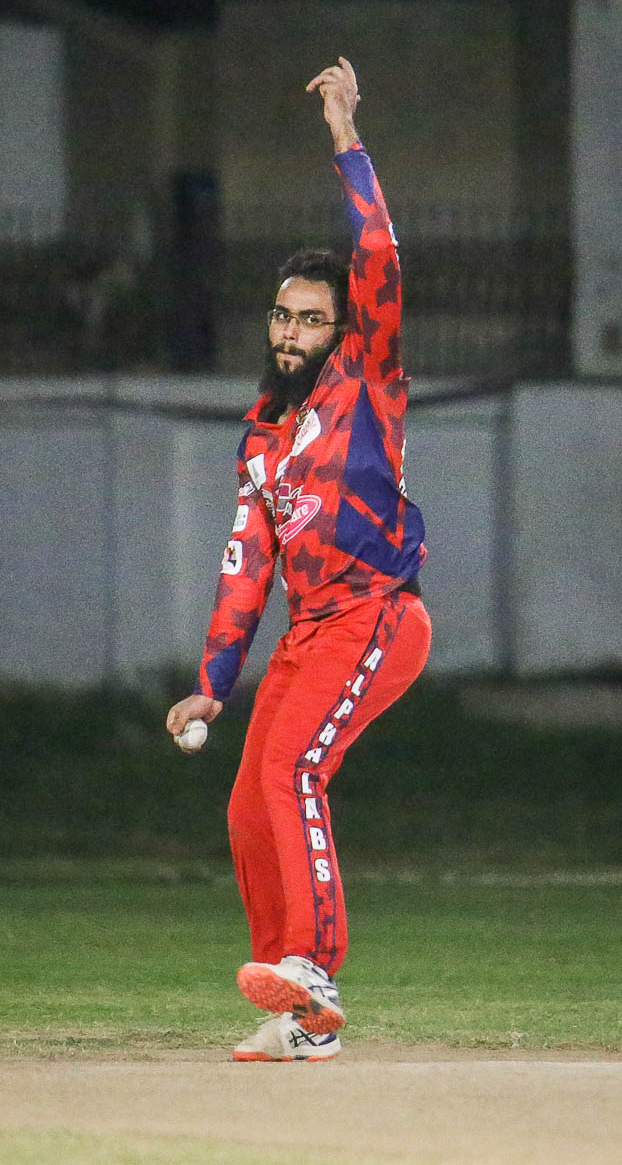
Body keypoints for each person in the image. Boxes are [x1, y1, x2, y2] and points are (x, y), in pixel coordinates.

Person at [166, 57, 432, 1062]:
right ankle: (297, 1010)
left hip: (378, 614)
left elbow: (378, 249)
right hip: (311, 632)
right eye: (283, 314)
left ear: (343, 328)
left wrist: (345, 135)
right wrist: (213, 680)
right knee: (249, 799)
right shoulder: (262, 434)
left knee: (293, 770)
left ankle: (315, 970)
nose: (292, 330)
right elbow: (246, 566)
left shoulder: (368, 377)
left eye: (312, 317)